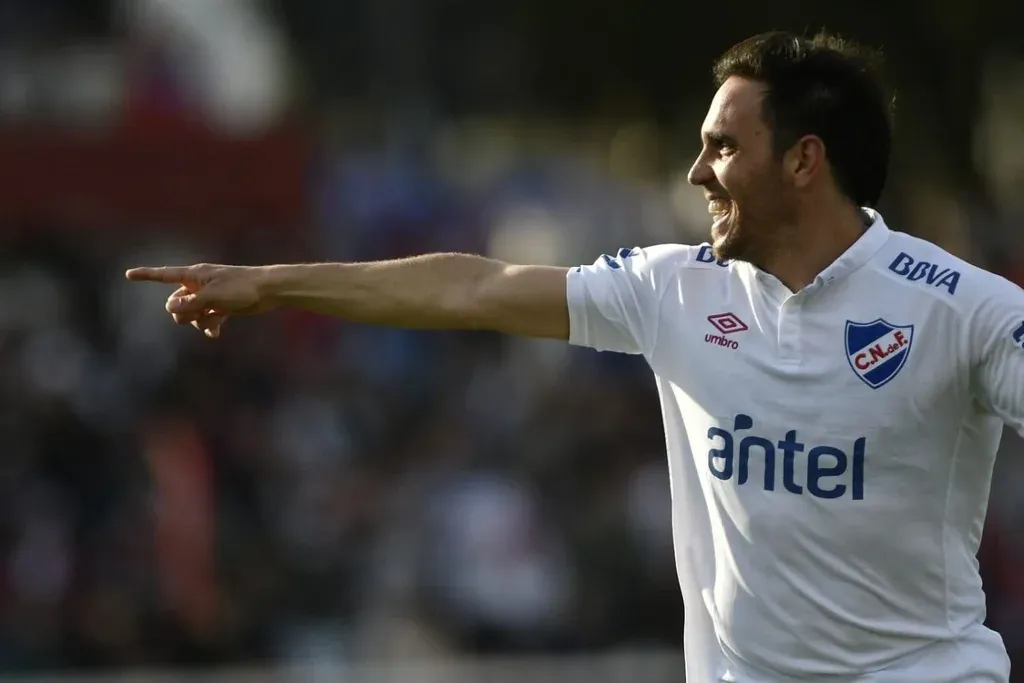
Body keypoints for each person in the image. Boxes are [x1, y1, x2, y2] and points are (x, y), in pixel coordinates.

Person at [126, 31, 1021, 682]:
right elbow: (474, 288)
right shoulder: (673, 289)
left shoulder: (965, 311)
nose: (696, 173)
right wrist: (272, 282)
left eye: (722, 147)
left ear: (803, 161)